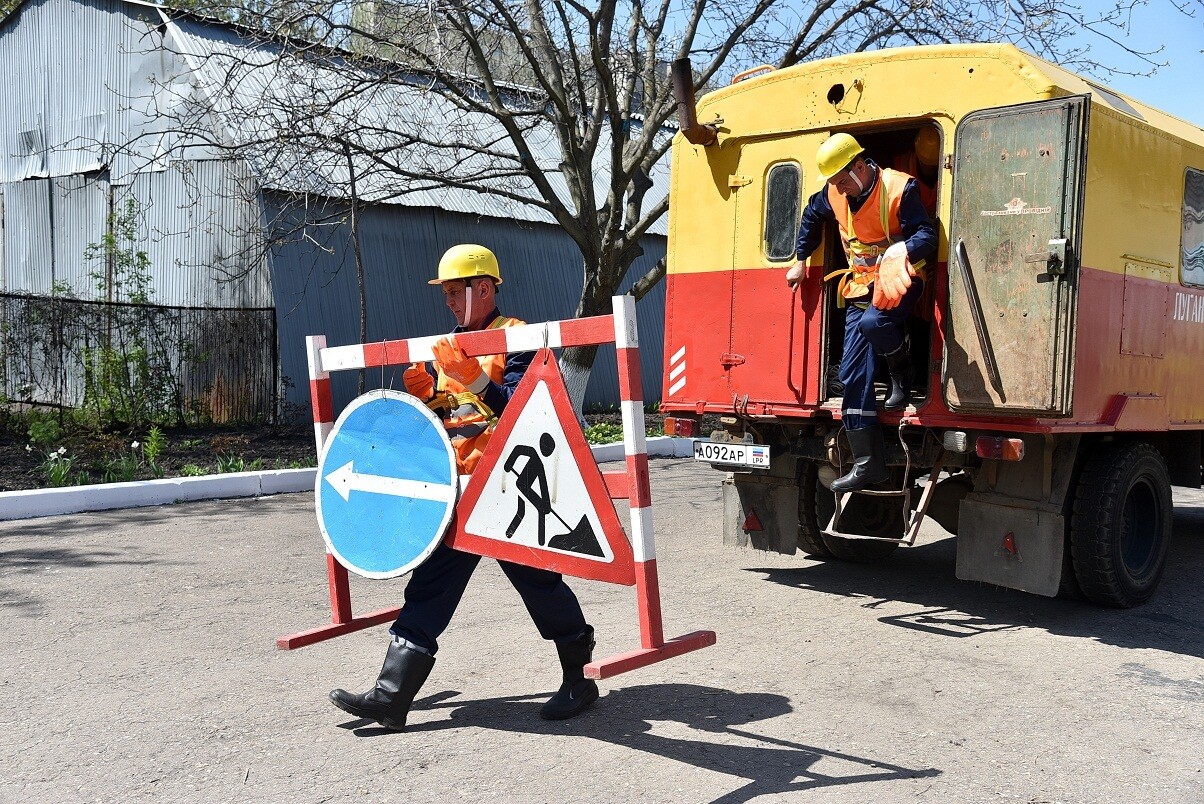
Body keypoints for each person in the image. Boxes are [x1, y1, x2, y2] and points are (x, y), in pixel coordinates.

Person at [328, 244, 599, 730]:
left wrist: (476, 380)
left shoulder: (517, 337)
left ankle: (579, 678)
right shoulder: (448, 343)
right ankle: (391, 697)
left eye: (456, 292)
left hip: (511, 486)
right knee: (432, 582)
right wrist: (428, 397)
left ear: (484, 288)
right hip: (461, 486)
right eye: (447, 293)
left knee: (537, 582)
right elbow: (453, 418)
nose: (449, 302)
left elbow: (524, 407)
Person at [785, 133, 937, 492]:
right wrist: (800, 261)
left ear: (859, 167)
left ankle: (902, 371)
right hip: (859, 286)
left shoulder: (901, 188)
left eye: (843, 181)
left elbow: (927, 235)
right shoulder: (835, 194)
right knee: (853, 376)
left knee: (875, 323)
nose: (841, 190)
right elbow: (810, 214)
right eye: (835, 185)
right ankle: (869, 465)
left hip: (901, 279)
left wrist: (903, 250)